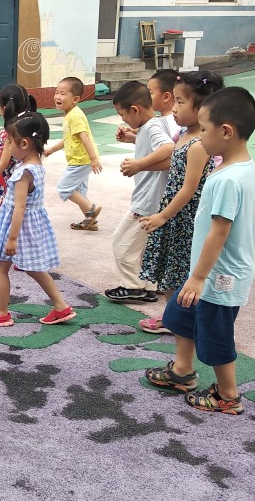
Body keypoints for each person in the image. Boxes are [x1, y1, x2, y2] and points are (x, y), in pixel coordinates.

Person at [144, 87, 255, 415]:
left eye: (204, 130)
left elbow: (219, 233)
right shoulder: (237, 166)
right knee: (180, 315)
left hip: (218, 277)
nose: (200, 136)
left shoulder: (228, 180)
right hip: (206, 271)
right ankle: (182, 371)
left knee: (215, 336)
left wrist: (198, 277)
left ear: (226, 132)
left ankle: (228, 395)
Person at [137, 71, 223, 333]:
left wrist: (163, 215)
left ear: (203, 108)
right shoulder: (184, 135)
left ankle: (181, 320)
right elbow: (172, 163)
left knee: (180, 270)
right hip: (174, 211)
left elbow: (189, 188)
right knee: (170, 271)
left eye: (180, 102)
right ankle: (171, 317)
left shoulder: (198, 145)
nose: (173, 108)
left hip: (184, 217)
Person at [0, 112, 76, 328]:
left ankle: (1, 313)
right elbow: (14, 202)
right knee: (34, 268)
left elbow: (20, 207)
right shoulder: (34, 166)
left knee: (0, 268)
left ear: (24, 143)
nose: (7, 147)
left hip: (17, 228)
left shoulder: (24, 173)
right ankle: (60, 306)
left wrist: (12, 238)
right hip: (25, 224)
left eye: (10, 142)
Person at [105, 81, 175, 303]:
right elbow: (154, 144)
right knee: (144, 247)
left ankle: (133, 286)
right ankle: (149, 286)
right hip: (152, 198)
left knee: (122, 244)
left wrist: (139, 164)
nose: (123, 120)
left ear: (135, 110)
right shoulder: (152, 125)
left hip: (147, 200)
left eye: (123, 114)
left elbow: (169, 148)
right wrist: (132, 138)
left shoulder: (153, 127)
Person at [44, 76, 103, 231]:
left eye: (63, 94)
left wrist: (93, 159)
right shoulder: (70, 114)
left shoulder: (75, 116)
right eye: (57, 92)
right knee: (80, 192)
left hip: (81, 160)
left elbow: (84, 137)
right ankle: (91, 222)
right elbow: (68, 139)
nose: (58, 96)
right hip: (81, 160)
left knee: (64, 188)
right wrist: (51, 150)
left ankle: (91, 209)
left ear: (75, 99)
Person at [0, 83, 35, 218]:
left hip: (4, 186)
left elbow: (3, 163)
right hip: (5, 183)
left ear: (4, 108)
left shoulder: (10, 133)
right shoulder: (22, 129)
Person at [116, 69, 180, 145]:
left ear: (166, 97)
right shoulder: (162, 120)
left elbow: (168, 147)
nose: (145, 95)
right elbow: (155, 144)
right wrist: (134, 137)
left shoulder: (172, 123)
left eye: (150, 93)